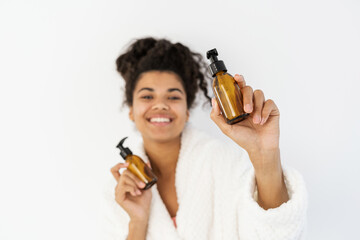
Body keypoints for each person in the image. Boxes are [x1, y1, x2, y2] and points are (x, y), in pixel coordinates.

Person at [100, 37, 308, 240]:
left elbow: (276, 234)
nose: (160, 105)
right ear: (131, 110)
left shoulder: (225, 162)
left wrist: (264, 155)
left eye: (173, 97)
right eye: (147, 96)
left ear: (187, 111)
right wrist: (138, 221)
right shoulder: (120, 191)